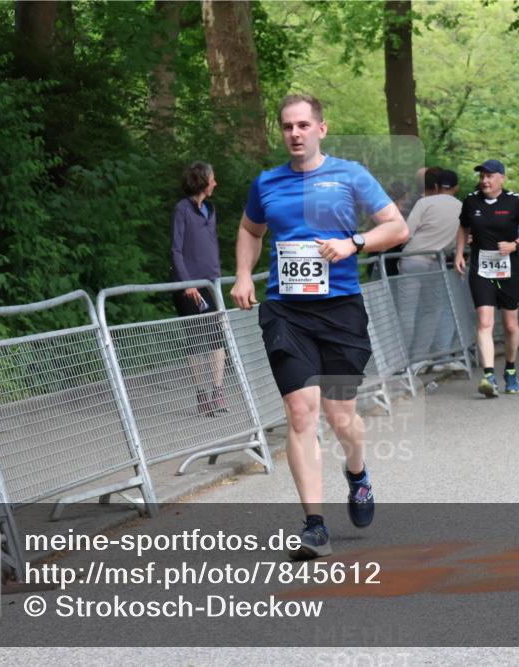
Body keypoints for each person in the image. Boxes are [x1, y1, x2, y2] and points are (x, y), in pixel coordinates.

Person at [231, 94, 409, 560]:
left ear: (321, 129)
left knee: (340, 417)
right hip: (287, 312)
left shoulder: (350, 175)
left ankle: (357, 473)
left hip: (341, 310)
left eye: (303, 125)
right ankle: (314, 525)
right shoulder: (267, 183)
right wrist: (245, 275)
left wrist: (355, 242)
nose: (295, 133)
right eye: (288, 126)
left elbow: (397, 227)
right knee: (300, 412)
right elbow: (251, 230)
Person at [454, 159, 519, 397]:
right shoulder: (471, 201)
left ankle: (510, 370)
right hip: (481, 268)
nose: (485, 180)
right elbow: (463, 227)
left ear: (502, 177)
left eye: (490, 176)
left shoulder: (515, 201)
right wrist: (459, 253)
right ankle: (488, 375)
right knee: (484, 321)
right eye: (482, 176)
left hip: (508, 267)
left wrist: (515, 245)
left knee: (511, 325)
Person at [171, 161, 228, 417]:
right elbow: (176, 249)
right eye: (213, 178)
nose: (215, 183)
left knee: (217, 338)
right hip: (188, 286)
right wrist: (187, 283)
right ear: (204, 181)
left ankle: (218, 391)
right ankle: (201, 395)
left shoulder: (210, 208)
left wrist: (216, 278)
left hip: (210, 283)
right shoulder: (182, 209)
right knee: (196, 341)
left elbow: (211, 244)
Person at [398, 168, 462, 360]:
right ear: (456, 187)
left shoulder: (424, 202)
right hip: (436, 262)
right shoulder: (462, 207)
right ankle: (419, 357)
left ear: (436, 186)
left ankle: (401, 359)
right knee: (432, 310)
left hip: (412, 258)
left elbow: (405, 233)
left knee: (406, 311)